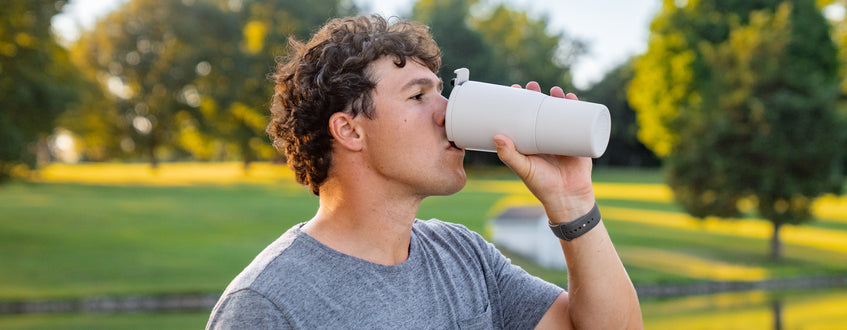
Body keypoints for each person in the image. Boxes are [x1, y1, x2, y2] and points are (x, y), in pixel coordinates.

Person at [206, 14, 641, 329]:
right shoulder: (267, 306)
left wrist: (572, 202)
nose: (448, 113)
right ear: (349, 130)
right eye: (418, 97)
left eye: (442, 92)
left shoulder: (464, 256)